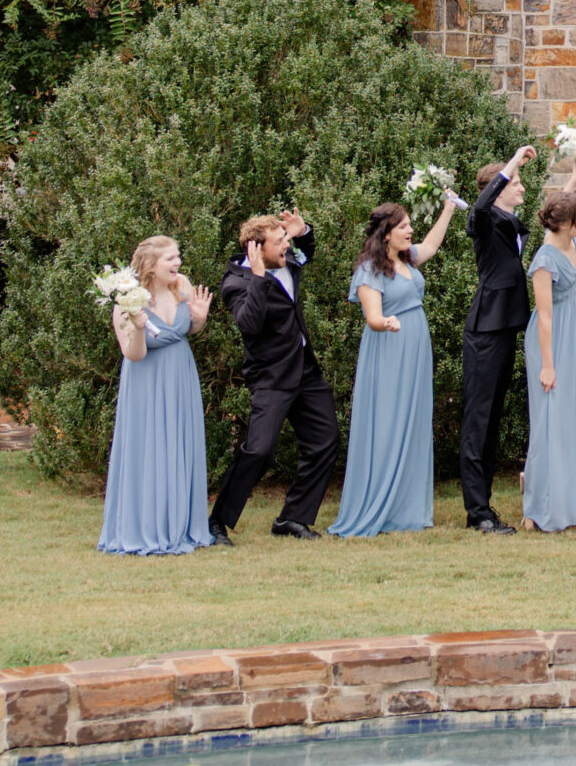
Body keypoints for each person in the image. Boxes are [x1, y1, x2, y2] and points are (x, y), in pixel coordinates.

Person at [329, 191, 462, 538]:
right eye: (403, 226)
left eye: (409, 225)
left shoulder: (409, 259)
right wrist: (386, 322)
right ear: (385, 233)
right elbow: (372, 317)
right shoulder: (370, 271)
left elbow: (431, 245)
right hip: (389, 350)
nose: (410, 230)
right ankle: (381, 506)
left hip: (415, 348)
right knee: (389, 422)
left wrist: (448, 208)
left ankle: (408, 508)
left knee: (413, 420)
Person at [209, 207, 341, 544]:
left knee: (324, 440)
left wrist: (304, 230)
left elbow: (306, 252)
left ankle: (292, 519)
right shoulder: (236, 282)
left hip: (306, 370)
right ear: (256, 249)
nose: (287, 245)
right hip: (271, 376)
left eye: (286, 239)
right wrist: (257, 277)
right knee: (259, 450)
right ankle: (216, 523)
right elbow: (249, 325)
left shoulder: (288, 260)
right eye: (280, 241)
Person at [99, 235, 216, 557]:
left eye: (178, 256)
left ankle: (182, 525)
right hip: (145, 382)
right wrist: (137, 327)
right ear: (150, 267)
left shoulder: (183, 285)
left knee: (179, 444)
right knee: (149, 447)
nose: (177, 263)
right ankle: (146, 526)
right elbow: (133, 354)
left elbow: (188, 330)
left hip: (180, 376)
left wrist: (200, 319)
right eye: (170, 259)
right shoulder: (127, 299)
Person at [460, 142, 539, 536]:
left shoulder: (508, 224)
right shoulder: (484, 220)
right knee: (478, 420)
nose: (522, 187)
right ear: (498, 186)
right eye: (516, 182)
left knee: (491, 421)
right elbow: (478, 208)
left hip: (507, 328)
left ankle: (483, 506)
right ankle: (477, 512)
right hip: (486, 331)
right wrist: (512, 163)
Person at [522, 178, 576, 532]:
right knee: (548, 421)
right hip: (548, 344)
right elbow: (544, 316)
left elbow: (559, 204)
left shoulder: (570, 243)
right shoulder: (545, 259)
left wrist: (573, 177)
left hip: (570, 338)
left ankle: (569, 502)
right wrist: (547, 366)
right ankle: (537, 506)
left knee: (567, 419)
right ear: (565, 223)